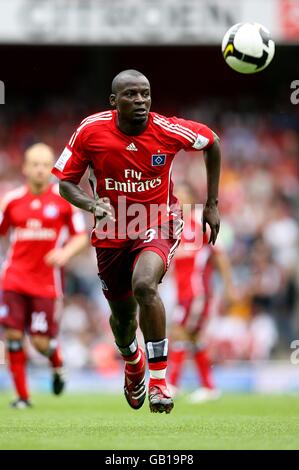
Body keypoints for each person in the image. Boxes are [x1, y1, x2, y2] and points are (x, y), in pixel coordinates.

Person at [52, 69, 221, 414]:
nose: (140, 101)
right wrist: (90, 203)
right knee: (123, 322)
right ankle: (133, 361)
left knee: (145, 285)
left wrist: (212, 205)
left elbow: (212, 142)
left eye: (145, 94)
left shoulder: (167, 129)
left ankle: (159, 381)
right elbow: (65, 183)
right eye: (131, 95)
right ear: (114, 102)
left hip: (157, 221)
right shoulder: (90, 130)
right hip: (112, 231)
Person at [0, 143, 88, 409]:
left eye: (44, 164)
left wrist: (64, 254)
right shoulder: (12, 200)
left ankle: (57, 363)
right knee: (13, 336)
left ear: (51, 168)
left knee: (40, 342)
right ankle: (23, 397)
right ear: (25, 168)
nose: (39, 169)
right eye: (34, 164)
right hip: (14, 278)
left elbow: (81, 236)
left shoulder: (63, 201)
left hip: (46, 283)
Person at [168, 183, 235, 403]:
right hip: (182, 291)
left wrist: (229, 287)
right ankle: (208, 387)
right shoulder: (176, 224)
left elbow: (220, 255)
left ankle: (173, 384)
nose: (179, 200)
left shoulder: (201, 220)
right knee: (194, 337)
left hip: (197, 291)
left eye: (184, 196)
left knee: (179, 332)